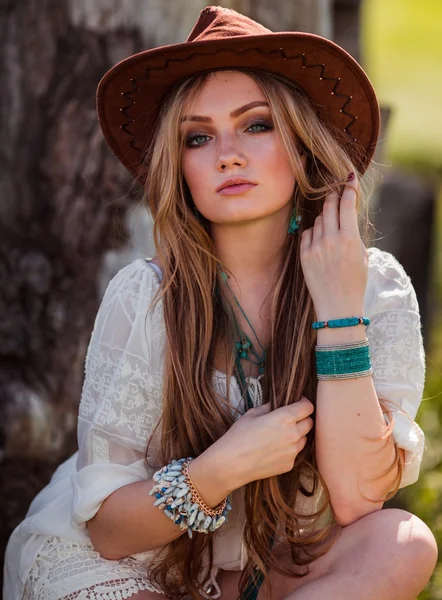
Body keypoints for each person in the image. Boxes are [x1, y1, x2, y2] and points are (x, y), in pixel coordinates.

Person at [3, 5, 437, 600]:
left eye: (256, 125)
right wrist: (221, 468)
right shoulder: (147, 296)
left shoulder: (372, 287)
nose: (226, 153)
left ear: (304, 145)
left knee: (405, 542)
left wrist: (338, 315)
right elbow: (108, 531)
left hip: (274, 568)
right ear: (178, 167)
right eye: (198, 137)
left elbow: (359, 496)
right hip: (137, 563)